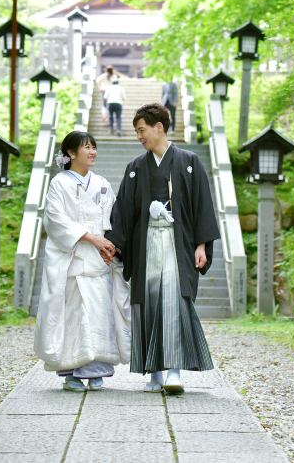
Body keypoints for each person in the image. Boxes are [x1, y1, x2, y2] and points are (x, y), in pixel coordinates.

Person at [106, 103, 220, 394]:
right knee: (148, 300)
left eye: (142, 130)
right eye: (137, 132)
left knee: (172, 299)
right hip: (145, 243)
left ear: (159, 127)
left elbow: (202, 205)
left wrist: (202, 245)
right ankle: (154, 372)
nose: (139, 137)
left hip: (176, 243)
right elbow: (123, 210)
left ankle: (173, 371)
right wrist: (114, 244)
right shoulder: (135, 167)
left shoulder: (189, 161)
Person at [34, 131, 132, 392]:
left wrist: (112, 245)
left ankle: (96, 370)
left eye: (94, 147)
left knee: (100, 315)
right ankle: (72, 372)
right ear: (70, 153)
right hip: (74, 258)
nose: (92, 152)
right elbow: (55, 219)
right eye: (86, 147)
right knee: (75, 315)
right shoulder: (59, 184)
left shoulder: (101, 183)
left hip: (100, 260)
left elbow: (114, 217)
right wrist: (91, 238)